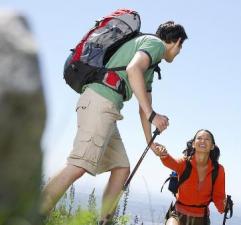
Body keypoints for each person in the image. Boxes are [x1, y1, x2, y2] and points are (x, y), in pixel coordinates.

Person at [40, 21, 188, 224]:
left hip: (108, 109)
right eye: (181, 48)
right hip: (101, 103)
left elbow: (143, 107)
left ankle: (104, 221)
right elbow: (133, 69)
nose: (179, 53)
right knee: (78, 165)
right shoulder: (155, 45)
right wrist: (153, 115)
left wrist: (149, 142)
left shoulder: (152, 66)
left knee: (121, 168)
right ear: (177, 41)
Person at [154, 129, 226, 225]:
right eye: (199, 138)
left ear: (212, 146)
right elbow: (173, 163)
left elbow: (219, 197)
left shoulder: (218, 170)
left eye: (207, 139)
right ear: (193, 144)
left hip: (201, 220)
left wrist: (224, 206)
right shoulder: (185, 163)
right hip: (178, 215)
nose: (203, 141)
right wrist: (163, 155)